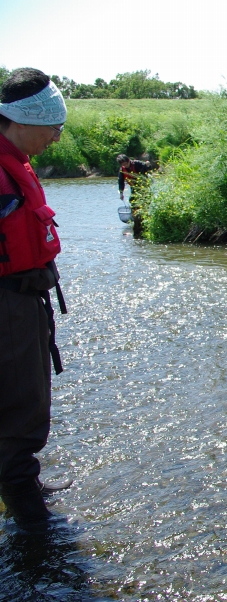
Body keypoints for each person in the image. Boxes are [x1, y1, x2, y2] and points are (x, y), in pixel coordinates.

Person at [0, 68, 73, 527]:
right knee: (18, 400)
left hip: (24, 299)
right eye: (53, 127)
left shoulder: (16, 161)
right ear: (23, 120)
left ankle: (21, 482)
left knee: (27, 395)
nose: (57, 137)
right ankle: (24, 504)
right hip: (7, 302)